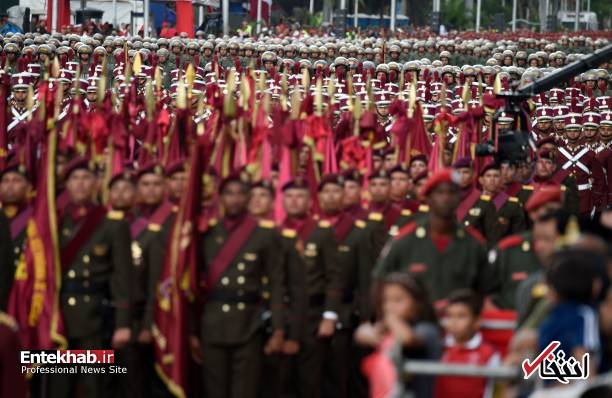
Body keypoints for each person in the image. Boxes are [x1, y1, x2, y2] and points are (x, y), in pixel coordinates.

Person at [190, 174, 284, 398]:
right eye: (229, 194)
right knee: (214, 390)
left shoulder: (265, 235)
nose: (235, 199)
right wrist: (192, 331)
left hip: (249, 324)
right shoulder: (207, 233)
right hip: (212, 323)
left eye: (240, 193)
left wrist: (279, 329)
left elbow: (277, 282)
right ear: (220, 198)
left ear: (248, 198)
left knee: (245, 391)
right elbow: (193, 285)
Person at [49, 157, 132, 398]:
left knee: (92, 386)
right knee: (57, 386)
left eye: (86, 178)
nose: (81, 184)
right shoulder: (54, 222)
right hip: (58, 318)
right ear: (67, 184)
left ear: (96, 183)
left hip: (94, 319)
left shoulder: (112, 225)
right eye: (75, 178)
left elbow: (122, 277)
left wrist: (123, 324)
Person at [374, 169, 496, 307]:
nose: (446, 198)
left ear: (459, 198)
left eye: (452, 193)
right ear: (428, 198)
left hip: (458, 323)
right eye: (440, 193)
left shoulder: (473, 243)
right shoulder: (405, 239)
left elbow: (487, 291)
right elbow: (380, 280)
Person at [279, 177, 341, 398]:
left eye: (300, 196)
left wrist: (330, 315)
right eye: (289, 196)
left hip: (313, 316)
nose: (294, 201)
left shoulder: (321, 231)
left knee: (309, 380)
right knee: (280, 381)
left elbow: (334, 277)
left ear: (309, 202)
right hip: (283, 314)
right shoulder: (275, 232)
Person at [356, 273, 441, 398]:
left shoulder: (427, 330)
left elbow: (407, 339)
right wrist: (371, 331)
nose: (390, 306)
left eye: (398, 300)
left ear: (418, 303)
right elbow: (360, 334)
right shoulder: (389, 330)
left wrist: (390, 319)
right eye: (385, 300)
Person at [433, 290, 500, 398]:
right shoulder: (438, 347)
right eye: (449, 316)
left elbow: (495, 391)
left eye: (461, 316)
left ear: (477, 321)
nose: (453, 322)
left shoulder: (489, 353)